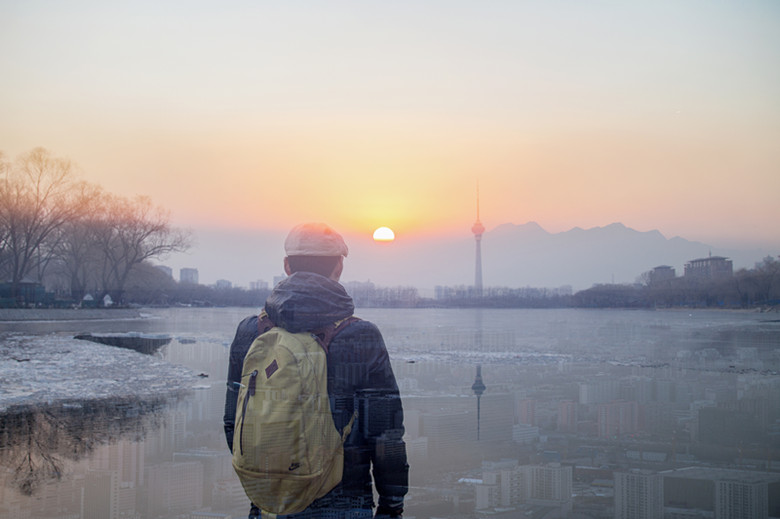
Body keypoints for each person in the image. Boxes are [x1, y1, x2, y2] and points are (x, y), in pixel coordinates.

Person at [223, 223, 409, 519]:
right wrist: (392, 504)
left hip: (268, 503)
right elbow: (386, 434)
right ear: (339, 267)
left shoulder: (250, 332)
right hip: (344, 499)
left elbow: (235, 423)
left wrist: (265, 485)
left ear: (286, 266)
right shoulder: (360, 336)